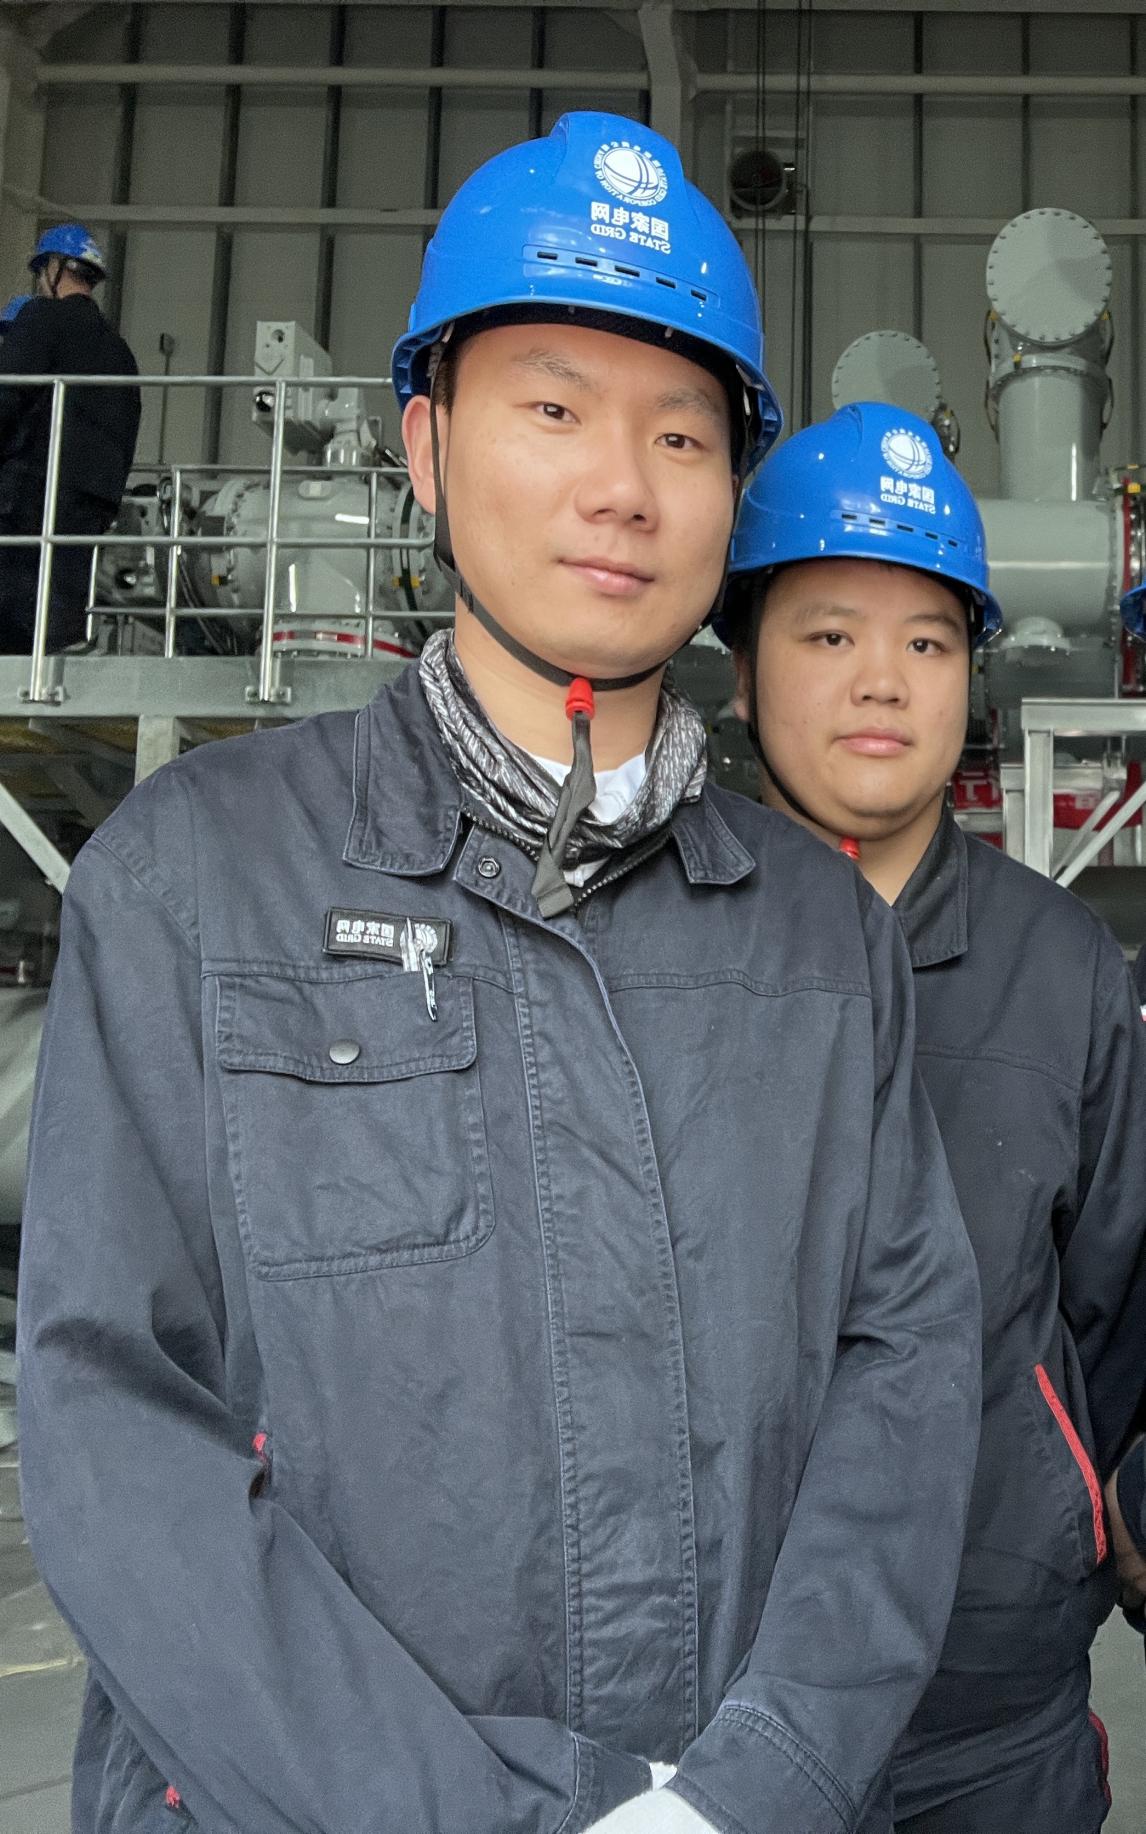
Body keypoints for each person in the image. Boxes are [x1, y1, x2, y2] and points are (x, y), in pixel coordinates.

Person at [18, 119, 980, 1834]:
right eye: (552, 408)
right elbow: (112, 1416)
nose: (624, 485)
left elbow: (902, 1375)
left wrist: (754, 1787)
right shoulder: (194, 875)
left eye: (680, 432)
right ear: (426, 444)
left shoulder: (820, 943)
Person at [722, 400, 1146, 1834]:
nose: (882, 682)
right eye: (829, 633)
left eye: (928, 642)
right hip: (713, 1709)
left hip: (994, 1705)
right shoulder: (656, 946)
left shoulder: (1062, 968)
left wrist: (1078, 1509)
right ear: (741, 670)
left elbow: (1117, 1307)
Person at [0, 224, 140, 653]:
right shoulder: (119, 351)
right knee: (59, 609)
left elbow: (8, 394)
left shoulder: (42, 317)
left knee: (16, 608)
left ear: (54, 268)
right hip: (92, 500)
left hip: (33, 491)